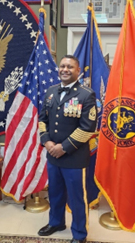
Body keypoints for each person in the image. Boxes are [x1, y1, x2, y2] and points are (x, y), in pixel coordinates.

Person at [38, 55, 97, 243]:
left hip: (74, 157)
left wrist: (63, 148)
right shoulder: (50, 91)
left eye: (70, 67)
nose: (65, 69)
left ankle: (80, 234)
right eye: (62, 66)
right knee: (54, 193)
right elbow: (42, 120)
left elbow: (88, 128)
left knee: (77, 198)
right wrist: (47, 143)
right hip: (53, 156)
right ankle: (56, 222)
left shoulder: (86, 95)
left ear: (78, 71)